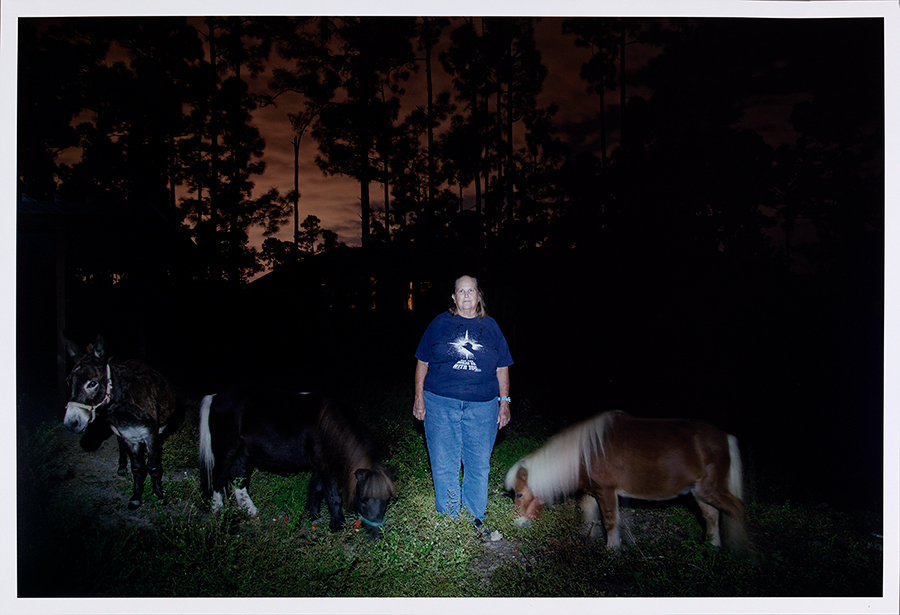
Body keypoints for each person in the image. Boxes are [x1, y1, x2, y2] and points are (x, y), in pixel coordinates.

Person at [413, 275, 512, 539]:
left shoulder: (491, 327)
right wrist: (418, 398)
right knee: (444, 462)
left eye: (471, 290)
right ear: (454, 298)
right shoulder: (438, 323)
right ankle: (449, 520)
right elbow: (422, 362)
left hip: (483, 407)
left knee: (478, 463)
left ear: (478, 296)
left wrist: (504, 403)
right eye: (461, 291)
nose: (466, 295)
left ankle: (474, 517)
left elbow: (502, 368)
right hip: (440, 403)